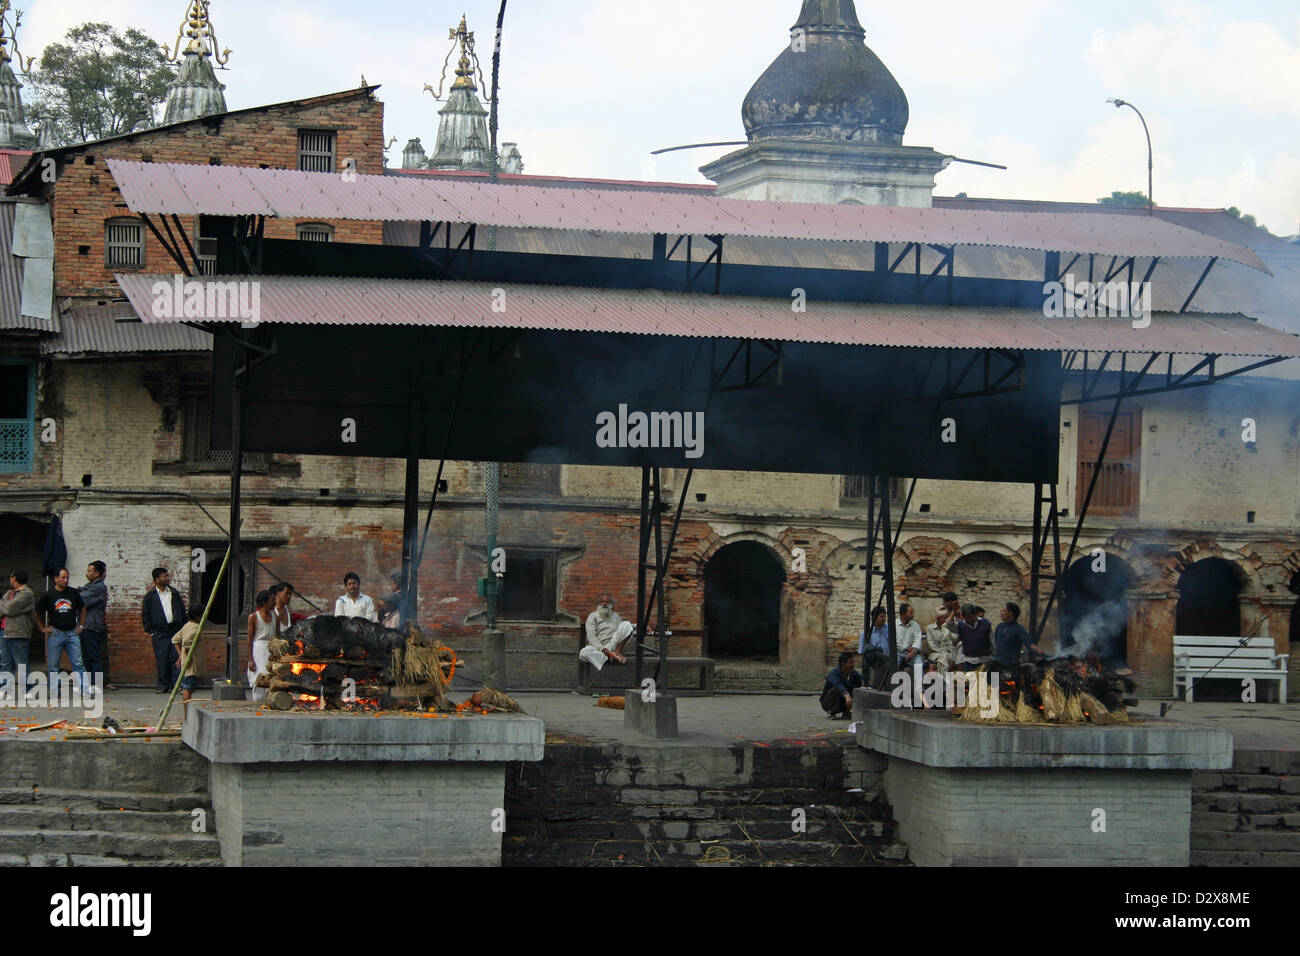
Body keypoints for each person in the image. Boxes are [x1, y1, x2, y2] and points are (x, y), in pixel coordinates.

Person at [36, 567, 92, 696]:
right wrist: (42, 628)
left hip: (72, 632)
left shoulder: (73, 593)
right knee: (53, 665)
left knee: (78, 663)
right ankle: (54, 691)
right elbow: (37, 612)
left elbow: (82, 608)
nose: (65, 580)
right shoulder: (48, 595)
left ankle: (85, 690)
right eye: (62, 577)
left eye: (67, 577)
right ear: (55, 578)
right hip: (56, 633)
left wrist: (81, 625)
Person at [142, 567, 186, 693]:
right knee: (162, 659)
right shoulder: (150, 597)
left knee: (177, 658)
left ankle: (176, 685)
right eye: (164, 576)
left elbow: (182, 611)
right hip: (159, 632)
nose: (167, 578)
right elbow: (145, 615)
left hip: (175, 630)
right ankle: (162, 685)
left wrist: (182, 628)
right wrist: (151, 631)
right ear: (157, 579)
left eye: (167, 576)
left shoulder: (174, 593)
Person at [79, 561, 114, 691]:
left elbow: (82, 600)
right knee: (86, 657)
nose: (87, 573)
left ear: (97, 573)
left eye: (90, 571)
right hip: (85, 625)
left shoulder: (98, 587)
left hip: (93, 626)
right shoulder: (88, 586)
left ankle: (96, 684)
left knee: (94, 656)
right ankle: (89, 683)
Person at [0, 570, 37, 689]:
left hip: (18, 633)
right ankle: (6, 688)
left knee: (21, 663)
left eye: (11, 577)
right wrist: (5, 606)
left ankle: (28, 689)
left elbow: (9, 609)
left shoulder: (27, 593)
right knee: (5, 663)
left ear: (14, 578)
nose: (10, 579)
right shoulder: (9, 592)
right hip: (4, 631)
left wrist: (5, 605)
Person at [581, 595, 634, 670]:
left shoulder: (616, 616)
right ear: (598, 604)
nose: (605, 604)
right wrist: (603, 649)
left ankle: (616, 653)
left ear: (611, 604)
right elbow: (591, 636)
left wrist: (643, 627)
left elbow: (624, 628)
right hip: (598, 648)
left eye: (607, 602)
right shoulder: (593, 616)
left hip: (612, 645)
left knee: (627, 624)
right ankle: (610, 656)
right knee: (583, 653)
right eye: (602, 602)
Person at [172, 606, 205, 716]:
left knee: (187, 687)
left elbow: (175, 639)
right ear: (197, 617)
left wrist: (181, 655)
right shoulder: (195, 628)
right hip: (191, 662)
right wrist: (187, 656)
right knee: (187, 688)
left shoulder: (186, 626)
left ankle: (187, 714)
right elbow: (186, 643)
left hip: (187, 660)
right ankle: (187, 714)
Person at [247, 590, 276, 702]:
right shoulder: (253, 617)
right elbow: (249, 639)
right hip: (258, 650)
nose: (274, 603)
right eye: (271, 600)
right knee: (259, 679)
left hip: (271, 650)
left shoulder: (275, 617)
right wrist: (250, 660)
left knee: (271, 678)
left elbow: (277, 636)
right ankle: (257, 705)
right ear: (264, 602)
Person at [993, 602, 1040, 671]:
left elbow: (1029, 643)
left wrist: (1039, 652)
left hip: (1010, 666)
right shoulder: (1000, 626)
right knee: (994, 682)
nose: (1001, 613)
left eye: (1004, 611)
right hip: (996, 665)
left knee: (1008, 681)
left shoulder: (1018, 629)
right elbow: (996, 643)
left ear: (1010, 613)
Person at [821, 651, 862, 719]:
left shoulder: (854, 674)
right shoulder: (834, 673)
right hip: (828, 701)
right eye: (850, 663)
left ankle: (846, 711)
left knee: (855, 689)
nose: (853, 665)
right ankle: (831, 711)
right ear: (843, 663)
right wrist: (847, 695)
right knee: (836, 689)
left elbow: (859, 686)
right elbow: (838, 685)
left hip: (845, 701)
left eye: (853, 662)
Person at [955, 603, 993, 669]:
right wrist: (953, 612)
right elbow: (949, 625)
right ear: (963, 617)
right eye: (966, 618)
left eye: (971, 617)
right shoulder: (960, 625)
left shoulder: (985, 623)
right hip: (969, 661)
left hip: (986, 660)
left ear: (975, 615)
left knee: (993, 679)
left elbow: (993, 640)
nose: (969, 620)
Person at [923, 606, 958, 674]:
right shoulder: (930, 628)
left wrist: (949, 652)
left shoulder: (947, 628)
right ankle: (945, 682)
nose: (946, 619)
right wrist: (943, 652)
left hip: (947, 653)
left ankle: (942, 681)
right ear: (938, 618)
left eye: (946, 617)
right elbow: (931, 645)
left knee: (951, 659)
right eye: (944, 617)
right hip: (935, 653)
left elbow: (951, 643)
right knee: (943, 659)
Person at [895, 603, 924, 672]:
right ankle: (892, 682)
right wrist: (905, 647)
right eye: (910, 613)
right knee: (894, 665)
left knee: (919, 664)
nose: (912, 615)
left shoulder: (915, 625)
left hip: (912, 652)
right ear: (903, 614)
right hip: (898, 652)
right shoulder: (894, 624)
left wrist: (913, 652)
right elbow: (894, 641)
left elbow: (917, 639)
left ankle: (919, 682)